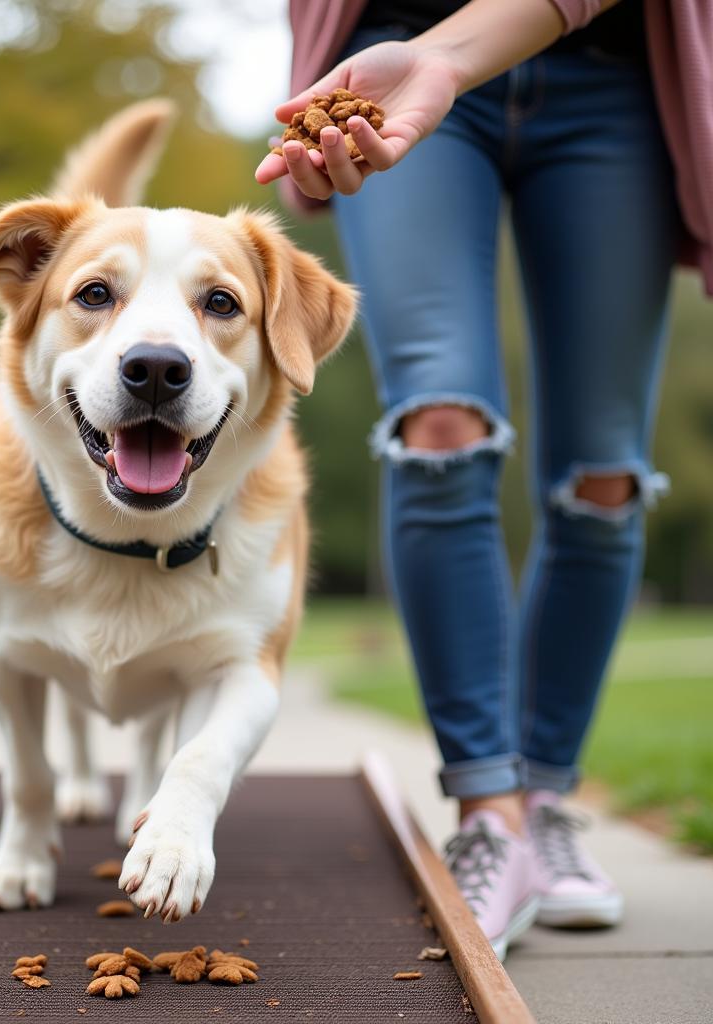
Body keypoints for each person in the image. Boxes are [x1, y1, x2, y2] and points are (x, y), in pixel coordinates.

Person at [256, 0, 713, 960]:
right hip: (391, 53)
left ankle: (545, 793)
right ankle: (487, 812)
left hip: (617, 77)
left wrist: (449, 54)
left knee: (606, 474)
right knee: (440, 425)